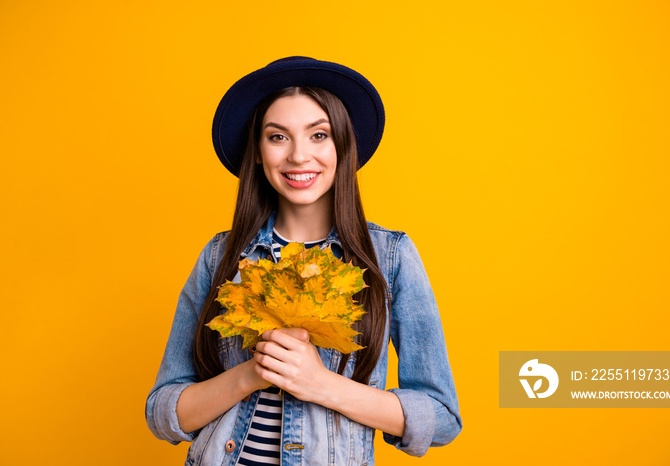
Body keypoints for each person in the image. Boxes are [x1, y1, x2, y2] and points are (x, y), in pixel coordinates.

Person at [146, 56, 461, 466]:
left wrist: (320, 384)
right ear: (258, 152)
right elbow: (163, 414)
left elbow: (440, 419)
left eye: (318, 135)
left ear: (341, 145)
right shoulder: (220, 257)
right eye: (278, 137)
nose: (298, 156)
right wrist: (250, 375)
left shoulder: (391, 257)